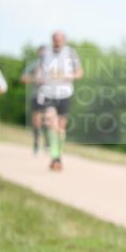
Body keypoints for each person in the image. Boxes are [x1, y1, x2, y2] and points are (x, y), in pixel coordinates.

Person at [38, 33, 83, 171]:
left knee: (61, 129)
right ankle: (54, 157)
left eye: (59, 40)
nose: (57, 42)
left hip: (64, 94)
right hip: (48, 93)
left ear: (64, 41)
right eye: (55, 40)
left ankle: (58, 157)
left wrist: (68, 76)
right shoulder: (46, 53)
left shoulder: (71, 53)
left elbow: (80, 73)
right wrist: (40, 78)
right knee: (52, 124)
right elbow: (40, 70)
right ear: (52, 40)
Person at [20, 45, 49, 154]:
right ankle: (36, 144)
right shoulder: (34, 64)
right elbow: (23, 78)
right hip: (37, 95)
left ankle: (47, 144)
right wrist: (35, 78)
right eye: (41, 52)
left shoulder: (53, 64)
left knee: (47, 120)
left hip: (50, 95)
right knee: (36, 120)